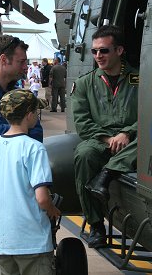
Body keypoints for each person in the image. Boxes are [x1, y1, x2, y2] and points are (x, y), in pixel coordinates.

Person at [71, 25, 139, 249]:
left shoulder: (141, 80)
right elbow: (82, 122)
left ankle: (107, 175)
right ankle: (97, 226)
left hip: (133, 140)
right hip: (100, 140)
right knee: (83, 154)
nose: (98, 56)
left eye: (104, 51)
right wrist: (108, 139)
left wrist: (127, 132)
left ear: (119, 51)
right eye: (94, 51)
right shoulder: (85, 84)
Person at [0, 89, 60, 275]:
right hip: (32, 242)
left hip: (3, 242)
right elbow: (42, 199)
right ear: (29, 115)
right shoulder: (34, 148)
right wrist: (53, 210)